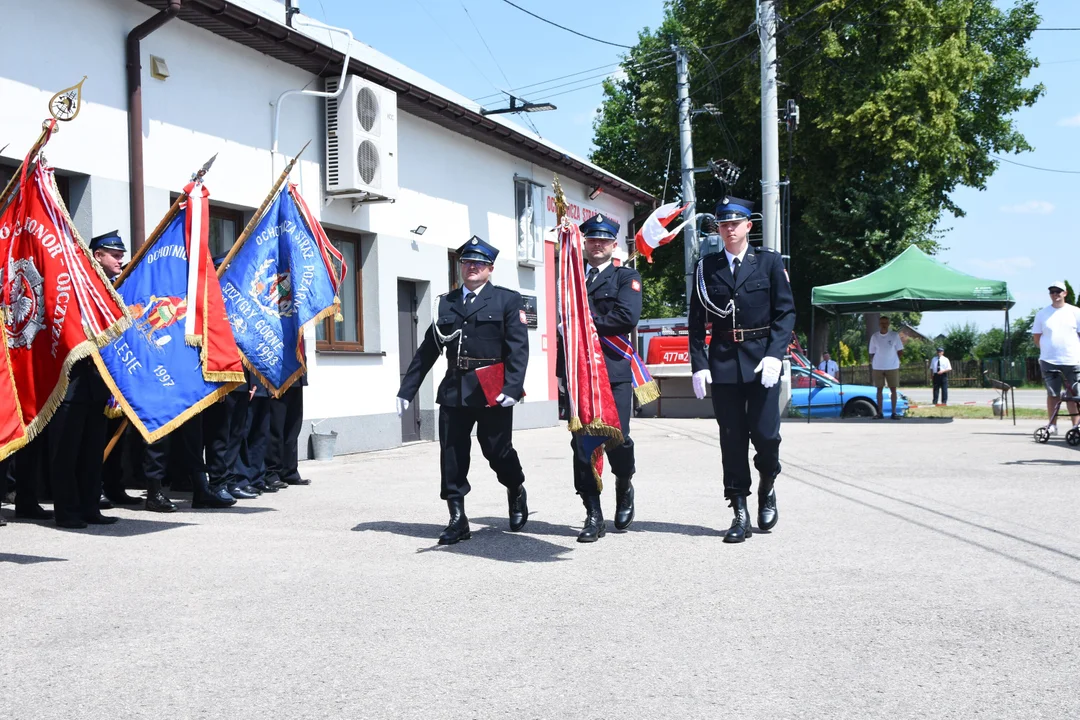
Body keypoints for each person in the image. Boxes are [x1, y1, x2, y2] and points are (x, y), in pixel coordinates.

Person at [396, 236, 529, 545]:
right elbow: (428, 350)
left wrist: (513, 387)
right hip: (455, 388)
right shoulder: (446, 302)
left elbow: (518, 349)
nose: (472, 267)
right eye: (467, 262)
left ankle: (516, 487)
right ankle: (457, 517)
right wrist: (407, 390)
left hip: (493, 387)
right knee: (452, 454)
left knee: (497, 451)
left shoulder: (507, 300)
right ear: (460, 267)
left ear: (490, 269)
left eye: (479, 263)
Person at [688, 196, 796, 544]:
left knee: (766, 436)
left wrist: (775, 355)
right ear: (718, 229)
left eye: (735, 223)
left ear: (749, 226)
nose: (729, 229)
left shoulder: (768, 262)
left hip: (762, 360)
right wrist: (699, 365)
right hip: (723, 363)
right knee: (731, 439)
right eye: (723, 224)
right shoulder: (706, 267)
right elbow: (695, 323)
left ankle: (767, 483)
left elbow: (785, 312)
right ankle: (738, 510)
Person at [566, 213, 642, 542]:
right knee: (582, 443)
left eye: (603, 240)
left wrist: (585, 316)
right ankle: (592, 513)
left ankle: (623, 483)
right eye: (591, 239)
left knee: (617, 437)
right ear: (585, 244)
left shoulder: (626, 277)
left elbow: (626, 316)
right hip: (578, 373)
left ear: (613, 245)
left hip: (613, 372)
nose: (597, 245)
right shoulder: (569, 279)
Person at [92, 230, 142, 507]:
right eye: (115, 255)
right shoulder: (92, 285)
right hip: (98, 368)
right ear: (97, 255)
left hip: (121, 368)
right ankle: (93, 486)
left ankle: (114, 485)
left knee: (117, 433)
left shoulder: (121, 284)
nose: (120, 260)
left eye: (122, 255)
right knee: (95, 436)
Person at [1032, 280, 1080, 435]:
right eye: (1052, 292)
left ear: (1064, 293)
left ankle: (1076, 425)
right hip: (1049, 360)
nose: (1055, 294)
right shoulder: (1042, 314)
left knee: (1075, 395)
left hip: (1072, 360)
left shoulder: (1075, 312)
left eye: (1058, 291)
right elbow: (1037, 337)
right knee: (1053, 394)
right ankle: (1052, 425)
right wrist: (1047, 351)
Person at [868, 316, 903, 419]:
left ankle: (893, 412)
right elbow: (872, 352)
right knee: (879, 389)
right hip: (878, 367)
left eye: (886, 323)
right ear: (879, 324)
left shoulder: (894, 335)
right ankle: (880, 412)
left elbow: (900, 351)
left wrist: (893, 359)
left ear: (889, 324)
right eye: (882, 323)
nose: (884, 325)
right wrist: (878, 361)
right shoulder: (874, 337)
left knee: (893, 389)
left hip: (892, 366)